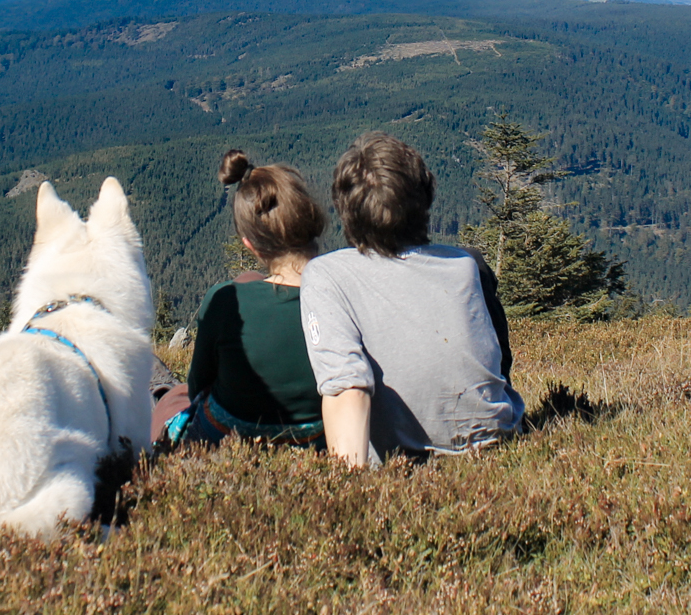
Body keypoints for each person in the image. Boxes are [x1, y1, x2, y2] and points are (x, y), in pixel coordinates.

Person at [299, 132, 524, 465]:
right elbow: (498, 362)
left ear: (346, 210)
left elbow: (347, 388)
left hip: (401, 464)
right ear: (424, 198)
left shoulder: (326, 275)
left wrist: (348, 488)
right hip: (499, 446)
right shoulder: (466, 265)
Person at [159, 149, 328, 448]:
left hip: (223, 442)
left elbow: (198, 387)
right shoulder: (341, 300)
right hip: (317, 444)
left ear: (250, 245)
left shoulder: (225, 302)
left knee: (171, 400)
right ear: (310, 218)